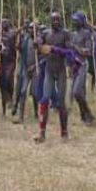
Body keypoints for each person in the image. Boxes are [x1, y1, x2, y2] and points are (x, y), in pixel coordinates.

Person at [35, 12, 72, 142]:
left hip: (61, 70)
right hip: (49, 70)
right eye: (53, 19)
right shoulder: (45, 33)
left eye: (58, 19)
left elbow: (69, 52)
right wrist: (38, 44)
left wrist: (54, 49)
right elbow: (39, 46)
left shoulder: (65, 33)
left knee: (61, 102)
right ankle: (42, 133)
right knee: (44, 100)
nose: (56, 21)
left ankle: (64, 132)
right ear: (50, 20)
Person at [70, 11, 96, 125]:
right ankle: (84, 115)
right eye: (73, 20)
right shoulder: (71, 34)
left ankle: (89, 113)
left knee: (77, 92)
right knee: (79, 93)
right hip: (73, 66)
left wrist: (75, 47)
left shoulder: (86, 34)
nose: (74, 22)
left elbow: (88, 52)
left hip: (82, 64)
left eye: (76, 20)